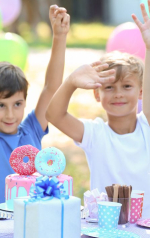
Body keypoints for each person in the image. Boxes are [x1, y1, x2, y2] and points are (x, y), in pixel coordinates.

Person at [46, 1, 150, 218]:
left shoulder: (146, 126)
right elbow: (54, 115)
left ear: (141, 92)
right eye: (109, 87)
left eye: (127, 86)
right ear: (97, 94)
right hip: (105, 229)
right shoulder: (94, 134)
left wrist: (149, 47)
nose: (118, 93)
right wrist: (72, 81)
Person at [0, 0, 70, 203]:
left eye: (17, 104)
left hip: (36, 225)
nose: (10, 114)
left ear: (25, 102)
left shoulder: (32, 130)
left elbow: (51, 88)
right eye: (1, 105)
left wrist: (60, 36)